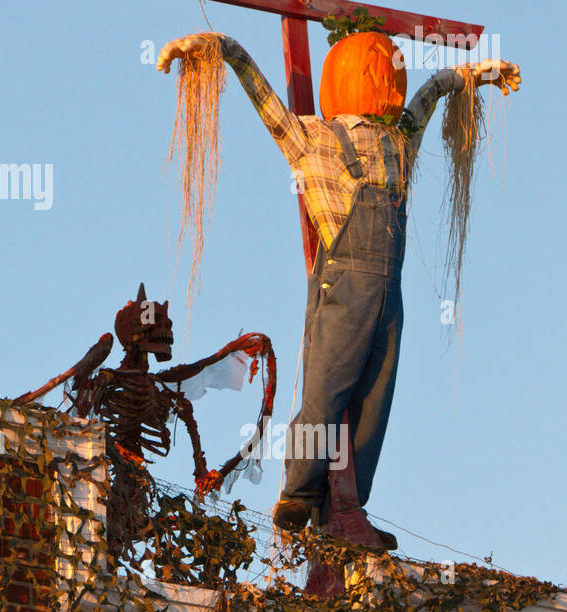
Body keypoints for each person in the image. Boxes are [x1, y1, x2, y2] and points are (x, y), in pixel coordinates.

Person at [158, 31, 519, 547]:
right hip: (345, 283)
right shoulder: (316, 140)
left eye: (394, 68)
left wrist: (476, 75)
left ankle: (347, 508)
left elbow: (430, 95)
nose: (391, 80)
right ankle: (300, 492)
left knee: (376, 395)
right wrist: (224, 48)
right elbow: (267, 104)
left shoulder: (400, 141)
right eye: (382, 69)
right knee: (327, 386)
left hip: (387, 294)